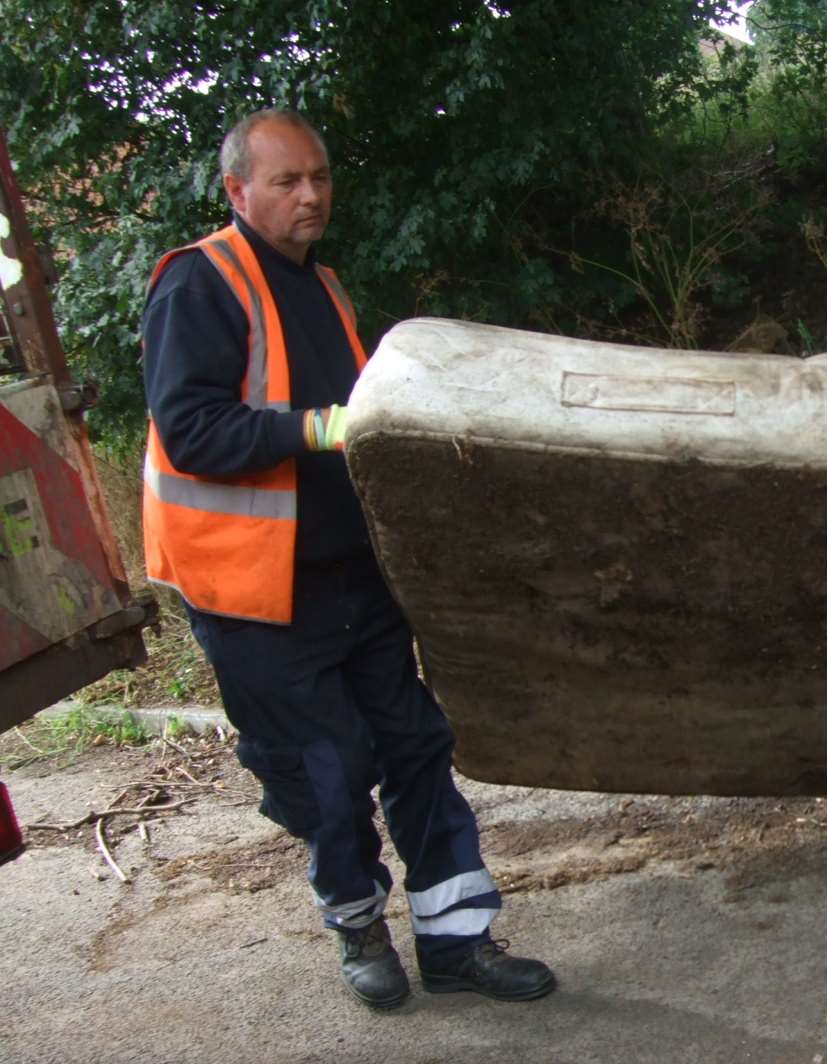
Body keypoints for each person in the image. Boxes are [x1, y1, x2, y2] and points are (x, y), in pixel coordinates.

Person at [141, 108, 556, 1011]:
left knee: (415, 750)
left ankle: (458, 942)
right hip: (255, 595)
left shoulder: (323, 287)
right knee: (328, 773)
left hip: (352, 577)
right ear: (237, 191)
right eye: (287, 181)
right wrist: (324, 427)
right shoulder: (198, 285)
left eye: (320, 176)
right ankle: (359, 928)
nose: (311, 195)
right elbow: (192, 428)